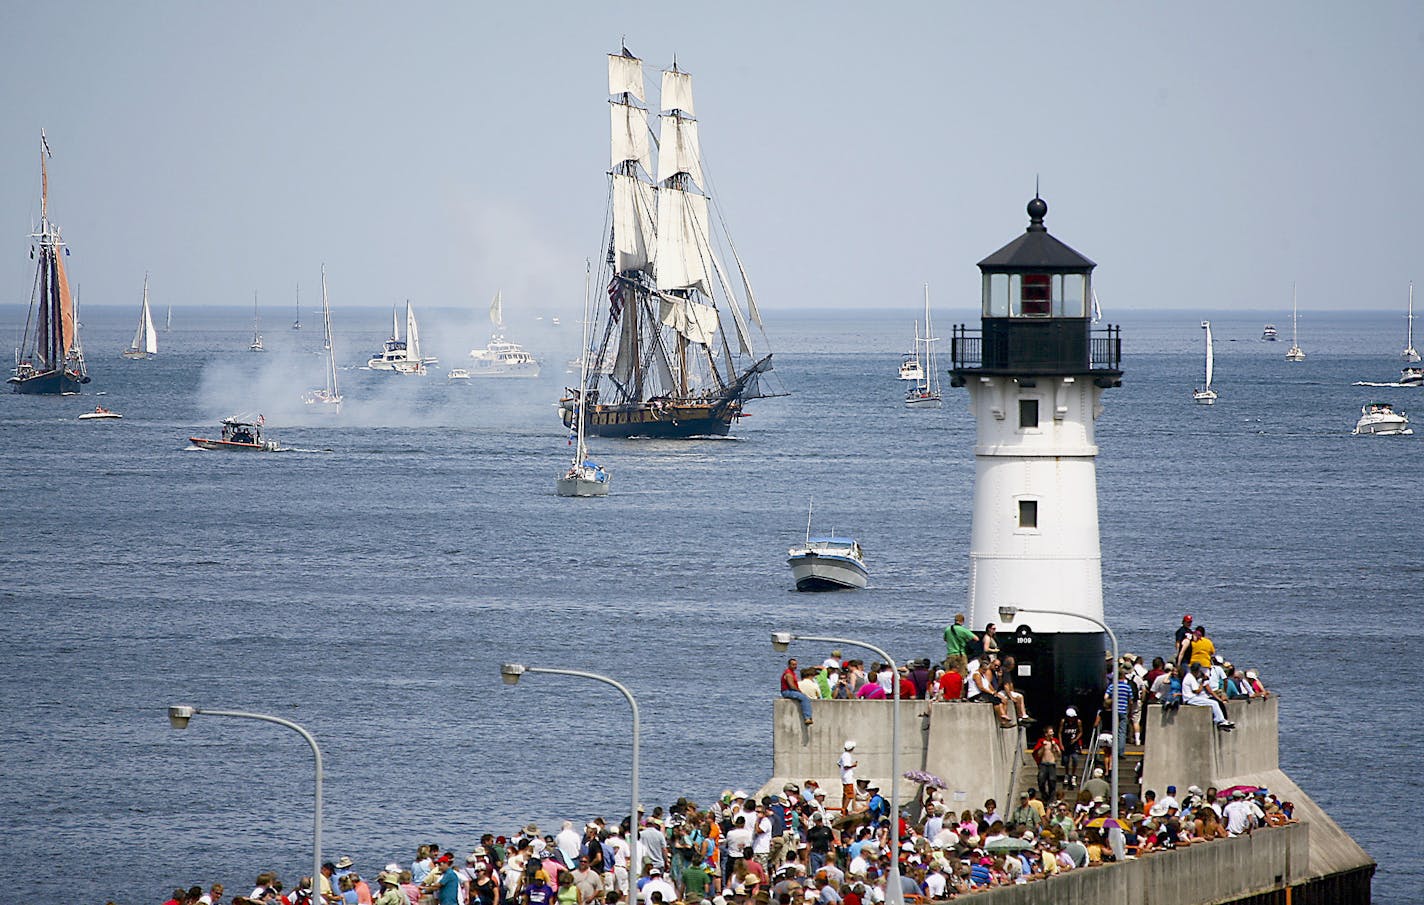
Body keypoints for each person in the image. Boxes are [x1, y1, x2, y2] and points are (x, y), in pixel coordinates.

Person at [1183, 663, 1234, 730]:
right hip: (1190, 699)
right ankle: (1220, 720)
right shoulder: (1190, 677)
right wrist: (1202, 682)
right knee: (1214, 703)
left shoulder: (1190, 676)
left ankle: (1222, 721)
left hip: (1192, 697)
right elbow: (1197, 691)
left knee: (1214, 702)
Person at [1032, 727, 1063, 800]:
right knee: (1041, 780)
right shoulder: (1041, 741)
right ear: (1046, 734)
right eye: (1050, 732)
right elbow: (1039, 754)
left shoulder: (1055, 741)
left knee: (1052, 781)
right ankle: (1044, 794)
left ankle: (1051, 798)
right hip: (1043, 764)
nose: (1052, 734)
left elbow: (1059, 754)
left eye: (1052, 732)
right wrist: (1043, 746)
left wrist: (1055, 745)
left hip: (1052, 764)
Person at [781, 658, 815, 726]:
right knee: (804, 698)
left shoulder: (792, 673)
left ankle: (808, 717)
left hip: (790, 691)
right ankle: (807, 718)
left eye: (796, 665)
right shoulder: (788, 674)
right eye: (793, 665)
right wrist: (799, 692)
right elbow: (791, 686)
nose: (795, 666)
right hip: (787, 691)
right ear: (789, 665)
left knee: (803, 697)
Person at [1058, 707, 1083, 788]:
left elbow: (1081, 732)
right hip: (1066, 743)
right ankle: (1066, 774)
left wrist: (1076, 739)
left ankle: (1073, 775)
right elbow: (1060, 733)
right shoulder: (1063, 722)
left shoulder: (1078, 722)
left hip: (1074, 744)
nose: (1071, 719)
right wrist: (1061, 744)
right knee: (1066, 760)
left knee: (1075, 759)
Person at [837, 740, 858, 811]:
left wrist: (842, 770)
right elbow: (846, 766)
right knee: (849, 795)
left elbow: (839, 763)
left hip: (844, 776)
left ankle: (843, 808)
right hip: (848, 777)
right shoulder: (847, 755)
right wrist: (853, 765)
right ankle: (844, 809)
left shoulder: (843, 755)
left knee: (845, 794)